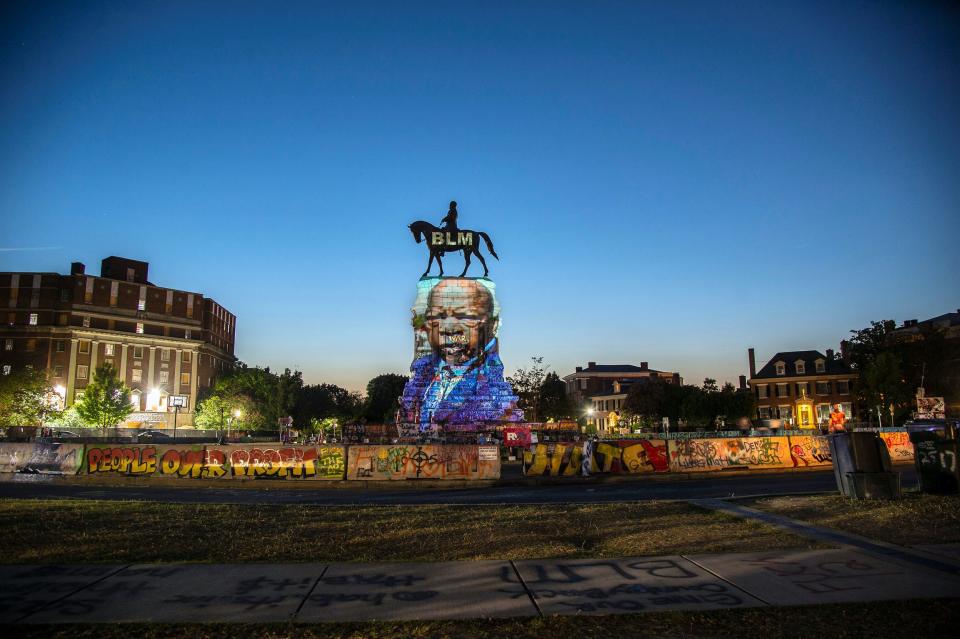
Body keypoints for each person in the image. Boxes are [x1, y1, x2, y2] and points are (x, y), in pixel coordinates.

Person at [400, 278, 520, 429]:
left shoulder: (494, 390)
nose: (448, 328)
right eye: (437, 316)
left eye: (465, 316)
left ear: (493, 326)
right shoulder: (422, 372)